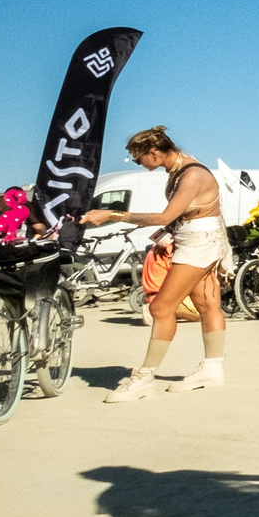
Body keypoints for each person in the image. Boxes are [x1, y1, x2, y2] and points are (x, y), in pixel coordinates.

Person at [79, 127, 233, 400]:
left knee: (161, 307)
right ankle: (212, 369)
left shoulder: (192, 174)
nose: (138, 163)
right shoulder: (181, 167)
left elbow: (165, 216)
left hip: (199, 243)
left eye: (138, 158)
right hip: (201, 239)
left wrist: (113, 214)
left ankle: (145, 377)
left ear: (153, 152)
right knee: (207, 304)